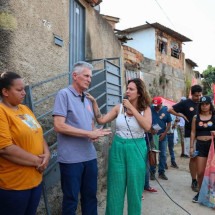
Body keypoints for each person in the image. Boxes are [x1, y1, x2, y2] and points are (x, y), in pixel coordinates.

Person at [53, 61, 111, 215]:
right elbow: (59, 126)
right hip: (71, 159)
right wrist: (88, 134)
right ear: (75, 76)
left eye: (90, 77)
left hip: (89, 157)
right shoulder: (63, 94)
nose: (89, 79)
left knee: (91, 197)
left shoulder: (87, 99)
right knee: (71, 199)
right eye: (86, 76)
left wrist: (94, 133)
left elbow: (90, 124)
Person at [87, 78, 152, 215]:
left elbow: (147, 127)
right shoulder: (119, 108)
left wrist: (132, 108)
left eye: (131, 89)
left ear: (139, 92)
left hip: (136, 148)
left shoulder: (145, 109)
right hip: (118, 147)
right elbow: (101, 119)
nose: (127, 91)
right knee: (115, 188)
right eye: (127, 88)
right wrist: (94, 103)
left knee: (135, 189)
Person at [0, 71, 50, 215]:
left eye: (24, 89)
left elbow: (38, 133)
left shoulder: (25, 109)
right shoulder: (2, 112)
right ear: (5, 91)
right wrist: (38, 162)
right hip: (14, 186)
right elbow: (5, 148)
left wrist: (46, 155)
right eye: (19, 90)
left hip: (35, 181)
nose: (24, 93)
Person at [168, 85, 202, 192]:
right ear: (191, 94)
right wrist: (181, 115)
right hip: (189, 134)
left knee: (202, 158)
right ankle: (194, 181)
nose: (198, 97)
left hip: (202, 134)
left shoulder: (203, 103)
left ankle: (202, 180)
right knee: (193, 158)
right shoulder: (185, 103)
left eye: (200, 95)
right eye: (196, 95)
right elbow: (170, 109)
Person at [190, 96, 215, 203]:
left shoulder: (214, 116)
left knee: (212, 172)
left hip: (212, 146)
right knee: (200, 172)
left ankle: (212, 194)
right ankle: (200, 192)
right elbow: (193, 132)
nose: (204, 106)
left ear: (210, 105)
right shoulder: (196, 117)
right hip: (200, 145)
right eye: (202, 104)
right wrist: (191, 146)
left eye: (206, 104)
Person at [150, 97, 172, 180]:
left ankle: (161, 172)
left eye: (157, 105)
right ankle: (152, 172)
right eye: (154, 105)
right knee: (152, 153)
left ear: (161, 104)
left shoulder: (166, 110)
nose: (155, 107)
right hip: (152, 135)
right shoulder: (150, 109)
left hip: (162, 135)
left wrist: (164, 133)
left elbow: (169, 123)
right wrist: (151, 129)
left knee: (163, 154)